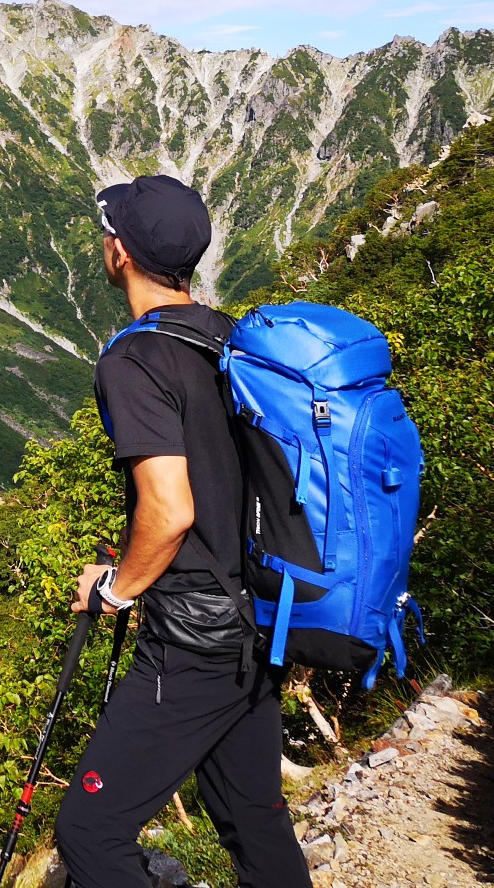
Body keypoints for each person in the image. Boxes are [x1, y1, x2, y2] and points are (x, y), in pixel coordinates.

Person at [53, 175, 311, 888]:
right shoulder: (231, 338)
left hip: (195, 638)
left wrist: (115, 587)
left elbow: (169, 511)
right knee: (250, 812)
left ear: (119, 254)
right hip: (260, 616)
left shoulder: (133, 359)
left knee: (89, 833)